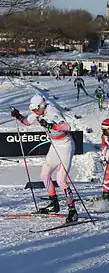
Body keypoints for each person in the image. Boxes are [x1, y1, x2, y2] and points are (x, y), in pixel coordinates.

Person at [10, 94, 78, 223]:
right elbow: (27, 122)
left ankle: (72, 210)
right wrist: (17, 115)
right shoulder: (38, 112)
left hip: (65, 146)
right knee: (44, 175)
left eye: (36, 110)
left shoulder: (52, 112)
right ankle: (54, 204)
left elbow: (66, 127)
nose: (35, 112)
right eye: (33, 110)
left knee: (61, 180)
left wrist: (50, 126)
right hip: (55, 145)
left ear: (42, 106)